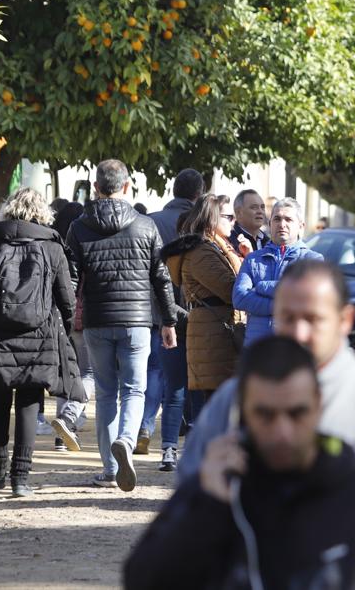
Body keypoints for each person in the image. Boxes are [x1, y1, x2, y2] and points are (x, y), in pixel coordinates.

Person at [124, 336, 355, 589]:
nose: (282, 432)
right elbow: (143, 579)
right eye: (266, 414)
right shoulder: (214, 487)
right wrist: (208, 505)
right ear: (243, 414)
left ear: (318, 408)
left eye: (296, 413)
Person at [178, 260, 355, 536]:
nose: (299, 333)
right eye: (288, 318)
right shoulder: (233, 400)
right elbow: (187, 492)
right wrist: (208, 489)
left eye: (312, 319)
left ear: (345, 320)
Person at [66, 159, 177, 492]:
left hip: (98, 322)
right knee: (134, 389)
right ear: (127, 187)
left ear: (96, 188)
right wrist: (169, 320)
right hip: (137, 322)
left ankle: (111, 469)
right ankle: (127, 441)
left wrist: (67, 316)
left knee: (105, 392)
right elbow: (161, 277)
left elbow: (70, 277)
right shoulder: (145, 226)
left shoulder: (79, 227)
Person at [0, 188, 80, 498]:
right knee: (30, 403)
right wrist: (66, 333)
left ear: (8, 209)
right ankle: (21, 478)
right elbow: (67, 299)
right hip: (39, 336)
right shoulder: (52, 247)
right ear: (43, 213)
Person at [163, 194, 244, 430]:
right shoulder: (202, 252)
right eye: (228, 217)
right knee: (218, 409)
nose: (233, 222)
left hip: (218, 332)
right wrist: (247, 263)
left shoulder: (217, 247)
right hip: (213, 335)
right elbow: (233, 290)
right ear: (211, 219)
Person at [139, 169, 204, 462]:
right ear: (198, 193)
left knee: (162, 375)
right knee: (193, 385)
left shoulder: (150, 221)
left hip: (157, 314)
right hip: (196, 313)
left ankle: (162, 442)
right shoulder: (201, 224)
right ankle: (190, 444)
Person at [232, 197, 323, 345]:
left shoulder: (312, 260)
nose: (282, 224)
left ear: (301, 226)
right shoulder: (253, 259)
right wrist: (281, 304)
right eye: (277, 219)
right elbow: (240, 298)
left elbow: (306, 298)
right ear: (270, 224)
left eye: (288, 219)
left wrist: (261, 287)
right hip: (257, 350)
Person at [49, 201, 89, 452]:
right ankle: (69, 419)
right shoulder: (82, 244)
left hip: (58, 317)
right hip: (82, 317)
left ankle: (60, 434)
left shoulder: (52, 246)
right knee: (88, 373)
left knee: (65, 373)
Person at [228, 189, 268, 258]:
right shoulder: (230, 242)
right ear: (238, 212)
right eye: (254, 207)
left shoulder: (269, 242)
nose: (260, 211)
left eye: (262, 207)